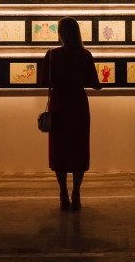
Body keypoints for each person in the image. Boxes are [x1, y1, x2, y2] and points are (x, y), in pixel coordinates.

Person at [40, 17, 101, 211]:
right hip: (78, 105)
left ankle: (62, 194)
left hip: (59, 105)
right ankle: (76, 194)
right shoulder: (85, 55)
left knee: (59, 150)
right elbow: (96, 84)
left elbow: (43, 81)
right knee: (78, 149)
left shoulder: (52, 54)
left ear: (60, 33)